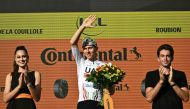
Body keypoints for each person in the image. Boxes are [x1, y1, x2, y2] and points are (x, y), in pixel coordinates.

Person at [70, 15, 105, 109]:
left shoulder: (104, 65)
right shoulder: (81, 62)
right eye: (85, 49)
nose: (87, 51)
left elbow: (111, 91)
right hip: (83, 103)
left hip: (99, 103)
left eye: (90, 48)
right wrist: (83, 26)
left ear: (96, 49)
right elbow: (73, 42)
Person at [145, 44, 189, 109]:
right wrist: (161, 82)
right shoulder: (150, 75)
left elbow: (186, 98)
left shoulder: (180, 74)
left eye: (168, 56)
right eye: (162, 56)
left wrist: (172, 83)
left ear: (172, 58)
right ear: (158, 59)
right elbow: (149, 98)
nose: (165, 59)